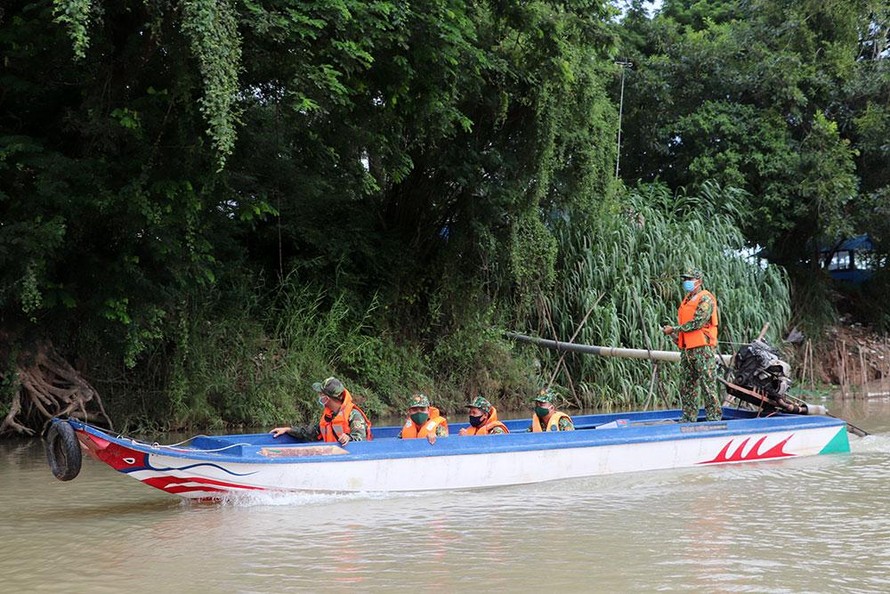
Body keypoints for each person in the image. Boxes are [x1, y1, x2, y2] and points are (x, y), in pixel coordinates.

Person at [661, 268, 722, 423]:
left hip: (703, 349)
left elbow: (697, 323)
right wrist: (675, 335)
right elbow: (686, 327)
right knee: (687, 386)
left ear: (699, 281)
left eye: (690, 279)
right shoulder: (687, 299)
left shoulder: (705, 299)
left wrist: (673, 329)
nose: (686, 282)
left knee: (708, 385)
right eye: (685, 279)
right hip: (688, 350)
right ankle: (688, 418)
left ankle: (714, 419)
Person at [270, 376, 372, 445]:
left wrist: (348, 438)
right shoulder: (329, 415)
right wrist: (288, 430)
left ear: (327, 398)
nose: (319, 395)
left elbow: (360, 439)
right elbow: (311, 433)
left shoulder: (354, 415)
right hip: (332, 457)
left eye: (321, 394)